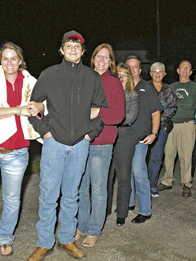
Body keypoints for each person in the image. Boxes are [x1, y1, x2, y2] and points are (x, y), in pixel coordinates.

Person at [27, 30, 108, 261]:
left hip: (80, 145)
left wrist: (90, 135)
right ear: (62, 50)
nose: (73, 49)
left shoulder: (92, 77)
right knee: (48, 196)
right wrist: (46, 132)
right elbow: (33, 107)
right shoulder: (49, 74)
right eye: (68, 45)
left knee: (72, 195)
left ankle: (66, 238)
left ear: (83, 52)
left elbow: (101, 110)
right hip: (54, 144)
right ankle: (44, 242)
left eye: (77, 46)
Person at [0, 42, 42, 257]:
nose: (9, 62)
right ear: (0, 60)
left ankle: (5, 237)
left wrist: (37, 108)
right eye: (5, 58)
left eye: (13, 58)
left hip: (17, 153)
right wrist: (19, 109)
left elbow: (42, 108)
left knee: (12, 200)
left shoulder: (31, 82)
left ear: (20, 60)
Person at [76, 44, 125, 247]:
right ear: (93, 58)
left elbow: (118, 115)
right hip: (80, 141)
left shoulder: (114, 83)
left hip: (101, 143)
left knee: (98, 188)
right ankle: (81, 225)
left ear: (111, 62)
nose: (103, 60)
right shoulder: (83, 78)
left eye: (107, 57)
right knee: (80, 187)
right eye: (99, 56)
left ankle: (95, 229)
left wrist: (98, 111)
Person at [125, 56, 162, 223]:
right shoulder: (122, 87)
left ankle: (146, 210)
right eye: (129, 67)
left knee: (138, 172)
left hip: (141, 139)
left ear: (140, 70)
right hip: (124, 138)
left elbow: (156, 113)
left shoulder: (147, 88)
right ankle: (130, 202)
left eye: (135, 67)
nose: (132, 69)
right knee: (127, 172)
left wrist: (154, 134)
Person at [157, 60, 196, 197]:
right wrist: (173, 105)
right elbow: (165, 104)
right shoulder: (171, 86)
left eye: (188, 68)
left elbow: (190, 105)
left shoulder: (194, 87)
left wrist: (174, 103)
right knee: (168, 154)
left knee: (186, 155)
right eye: (183, 68)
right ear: (177, 70)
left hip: (187, 125)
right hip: (171, 125)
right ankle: (167, 181)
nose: (185, 70)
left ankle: (186, 183)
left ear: (191, 72)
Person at [107, 63, 138, 227]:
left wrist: (112, 115)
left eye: (125, 75)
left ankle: (122, 212)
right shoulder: (108, 93)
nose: (121, 77)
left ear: (129, 78)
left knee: (124, 176)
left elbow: (130, 117)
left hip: (125, 136)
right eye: (118, 74)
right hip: (108, 134)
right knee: (107, 175)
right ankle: (104, 209)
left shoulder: (133, 96)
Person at [147, 62, 177, 197]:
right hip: (144, 127)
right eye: (155, 71)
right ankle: (140, 185)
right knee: (140, 158)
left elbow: (172, 107)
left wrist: (158, 120)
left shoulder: (169, 89)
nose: (157, 74)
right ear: (150, 73)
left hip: (161, 128)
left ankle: (152, 185)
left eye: (160, 71)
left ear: (164, 74)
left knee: (156, 157)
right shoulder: (144, 87)